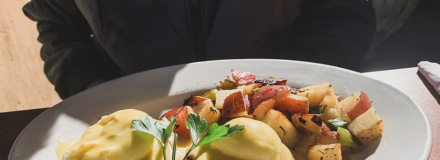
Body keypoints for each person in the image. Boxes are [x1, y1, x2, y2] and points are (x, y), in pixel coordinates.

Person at [23, 0, 376, 99]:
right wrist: (88, 85)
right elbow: (56, 24)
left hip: (284, 105)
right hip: (141, 123)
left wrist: (294, 94)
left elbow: (342, 16)